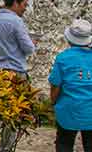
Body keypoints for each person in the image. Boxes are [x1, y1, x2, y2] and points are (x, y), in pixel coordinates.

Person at [0, 0, 35, 152]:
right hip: (14, 74)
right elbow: (28, 48)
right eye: (24, 5)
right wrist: (32, 44)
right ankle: (6, 149)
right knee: (11, 115)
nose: (25, 8)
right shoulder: (16, 22)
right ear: (16, 3)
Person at [49, 19, 92, 152]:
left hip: (68, 110)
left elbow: (55, 86)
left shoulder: (62, 58)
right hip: (90, 111)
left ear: (69, 39)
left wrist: (53, 102)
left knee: (64, 144)